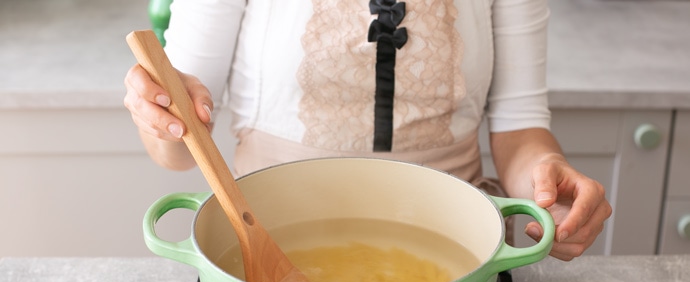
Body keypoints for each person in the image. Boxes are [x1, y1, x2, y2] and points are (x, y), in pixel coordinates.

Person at [124, 0, 611, 261]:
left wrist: (548, 182)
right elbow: (177, 151)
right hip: (266, 246)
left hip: (457, 255)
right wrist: (160, 111)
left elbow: (520, 131)